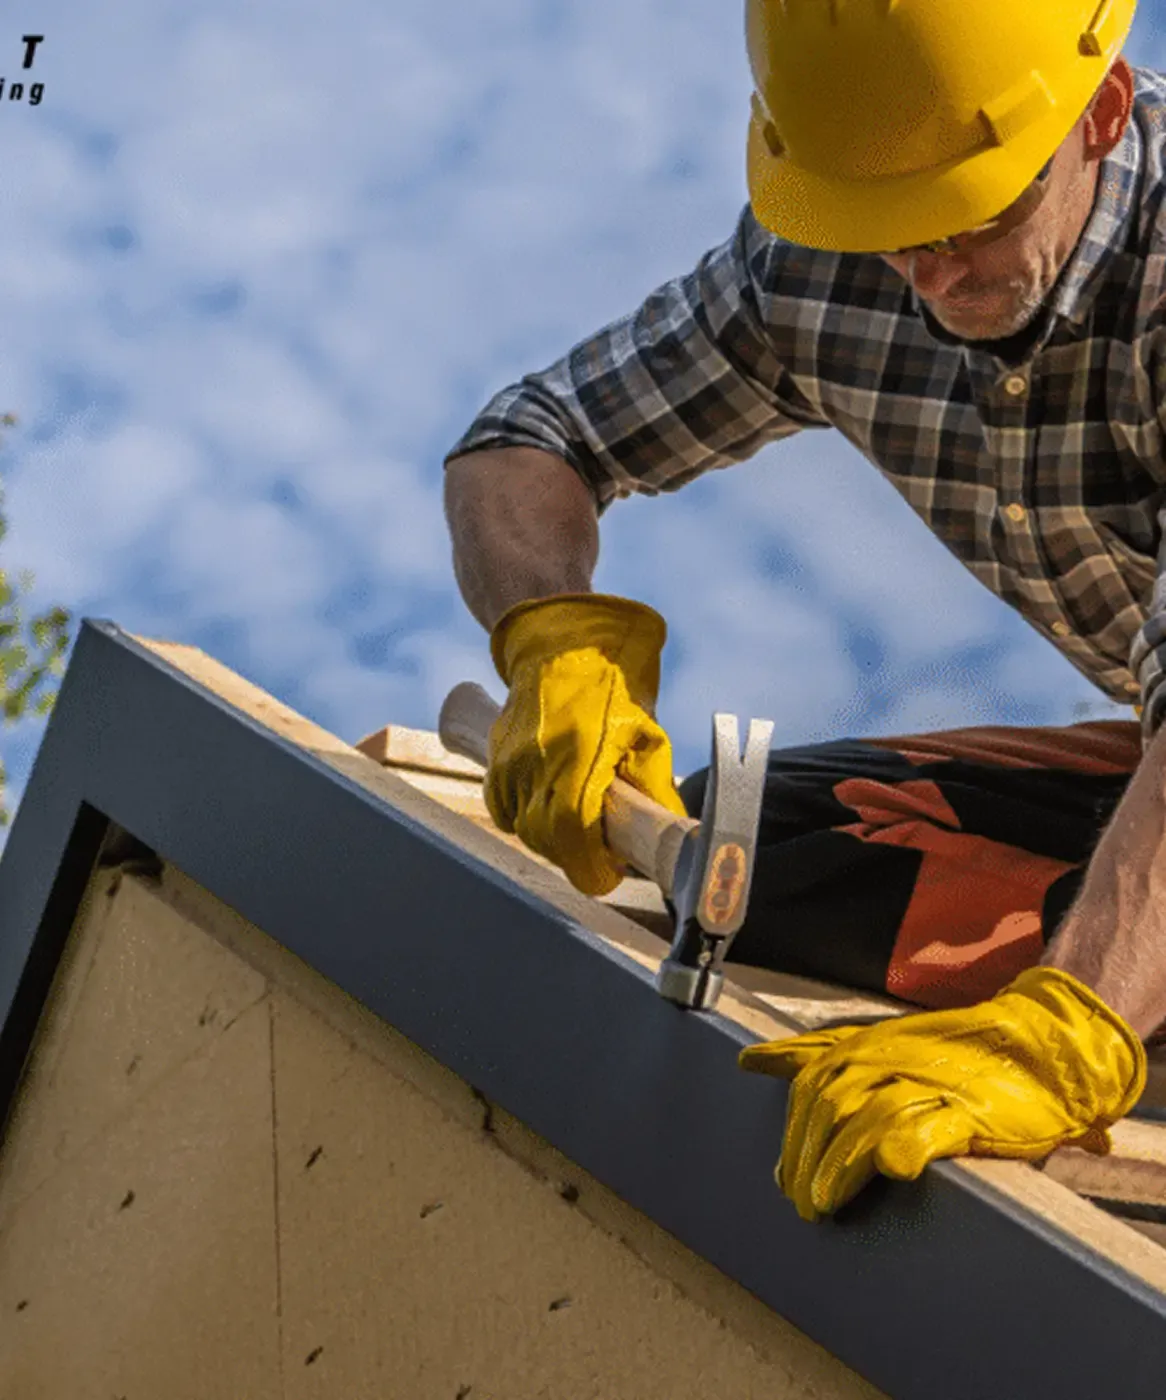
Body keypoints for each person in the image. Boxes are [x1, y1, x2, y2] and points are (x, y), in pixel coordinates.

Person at [442, 0, 1161, 1222]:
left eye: (971, 214)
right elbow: (527, 440)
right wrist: (551, 641)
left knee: (1059, 971)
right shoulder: (823, 270)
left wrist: (1067, 1023)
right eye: (886, 230)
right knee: (778, 848)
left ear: (1097, 112)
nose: (927, 274)